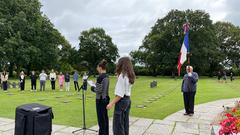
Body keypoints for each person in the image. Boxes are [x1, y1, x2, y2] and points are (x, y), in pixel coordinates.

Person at [107, 57, 135, 135]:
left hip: (121, 101)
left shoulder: (122, 76)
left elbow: (119, 95)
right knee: (125, 123)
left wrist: (111, 104)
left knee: (118, 125)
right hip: (128, 101)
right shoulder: (129, 75)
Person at [91, 59, 110, 135]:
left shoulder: (100, 77)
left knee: (101, 120)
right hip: (106, 98)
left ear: (100, 67)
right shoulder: (107, 76)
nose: (97, 69)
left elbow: (98, 90)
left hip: (100, 100)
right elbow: (103, 88)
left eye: (97, 68)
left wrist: (92, 88)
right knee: (105, 118)